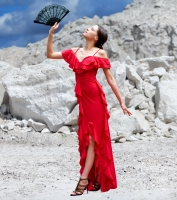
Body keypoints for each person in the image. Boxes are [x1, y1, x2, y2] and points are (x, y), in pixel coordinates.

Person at [47, 22, 132, 196]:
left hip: (96, 101)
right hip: (84, 101)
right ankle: (96, 177)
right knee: (87, 140)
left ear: (96, 38)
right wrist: (51, 35)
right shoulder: (73, 52)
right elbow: (50, 55)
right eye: (89, 27)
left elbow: (111, 79)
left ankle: (84, 179)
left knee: (93, 139)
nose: (88, 29)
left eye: (93, 29)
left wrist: (121, 102)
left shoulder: (100, 53)